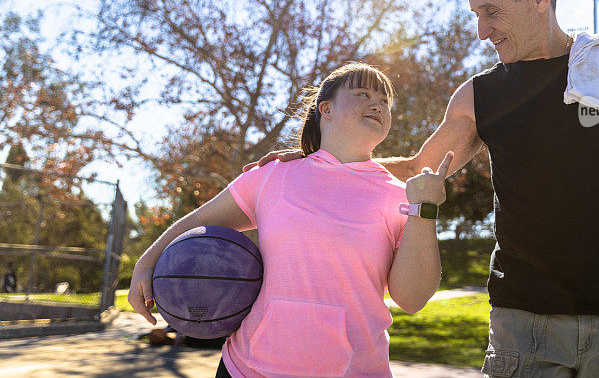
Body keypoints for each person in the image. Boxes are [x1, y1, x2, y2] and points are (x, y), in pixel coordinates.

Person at [250, 0, 599, 377]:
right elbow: (416, 169)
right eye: (476, 14)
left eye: (491, 12)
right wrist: (318, 163)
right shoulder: (478, 96)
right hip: (522, 326)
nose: (482, 31)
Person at [129, 63, 454, 378]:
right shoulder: (272, 175)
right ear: (326, 109)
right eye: (363, 94)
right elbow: (198, 221)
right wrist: (145, 264)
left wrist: (425, 209)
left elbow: (411, 300)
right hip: (247, 368)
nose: (378, 104)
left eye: (385, 101)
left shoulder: (402, 196)